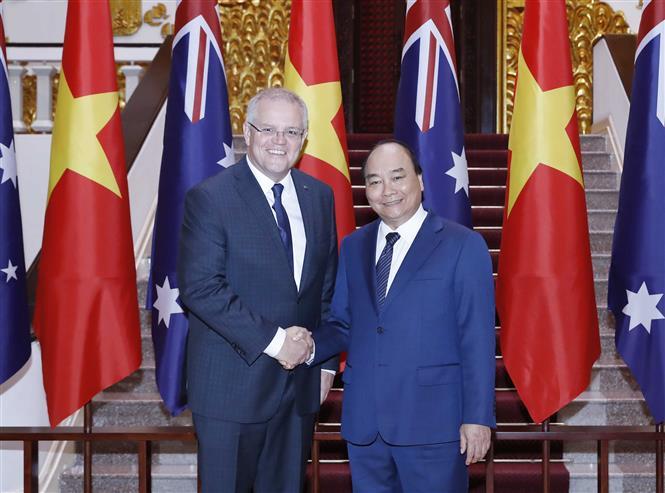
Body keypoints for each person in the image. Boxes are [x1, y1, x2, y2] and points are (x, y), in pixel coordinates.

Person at [307, 140, 496, 492]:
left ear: (420, 181)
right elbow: (342, 322)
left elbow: (477, 338)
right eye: (375, 181)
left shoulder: (463, 245)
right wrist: (308, 348)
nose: (387, 190)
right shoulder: (353, 246)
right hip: (366, 426)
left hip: (435, 427)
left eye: (397, 177)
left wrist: (477, 417)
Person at [177, 87, 338, 493]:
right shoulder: (210, 198)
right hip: (232, 389)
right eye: (268, 129)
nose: (279, 141)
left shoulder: (319, 197)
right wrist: (276, 341)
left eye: (291, 131)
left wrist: (324, 361)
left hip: (299, 387)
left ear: (304, 140)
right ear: (247, 133)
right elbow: (201, 288)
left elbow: (325, 288)